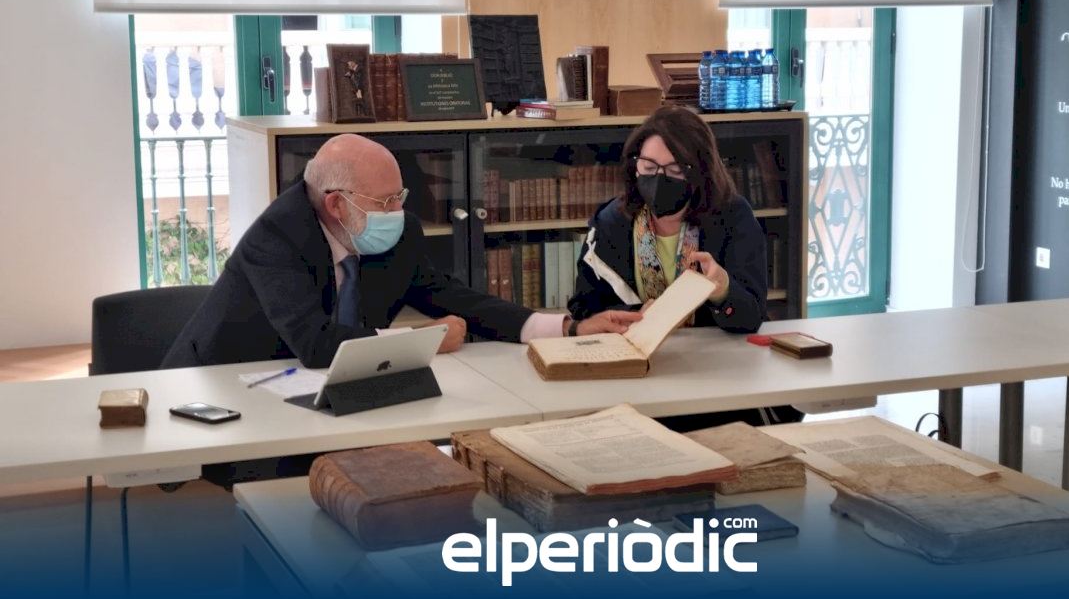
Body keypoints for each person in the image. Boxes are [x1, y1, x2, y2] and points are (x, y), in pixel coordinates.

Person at [162, 134, 639, 370]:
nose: (398, 212)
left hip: (329, 391)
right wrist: (420, 341)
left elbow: (454, 298)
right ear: (336, 204)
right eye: (385, 201)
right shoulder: (276, 238)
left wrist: (568, 328)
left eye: (400, 197)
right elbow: (314, 345)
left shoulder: (394, 230)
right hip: (223, 384)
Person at [568, 106, 802, 428]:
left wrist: (722, 290)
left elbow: (751, 316)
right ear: (634, 166)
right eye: (649, 166)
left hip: (717, 379)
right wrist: (633, 315)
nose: (658, 178)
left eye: (675, 170)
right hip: (637, 379)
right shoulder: (612, 222)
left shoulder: (733, 217)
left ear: (700, 172)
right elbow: (583, 308)